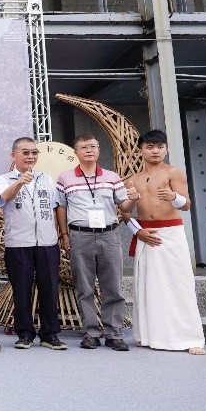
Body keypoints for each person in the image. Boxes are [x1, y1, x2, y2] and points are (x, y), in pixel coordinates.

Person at [123, 129, 205, 355]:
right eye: (150, 147)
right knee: (148, 286)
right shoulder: (135, 179)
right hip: (145, 234)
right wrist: (138, 231)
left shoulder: (173, 172)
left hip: (170, 234)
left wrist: (174, 197)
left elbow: (186, 205)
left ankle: (190, 337)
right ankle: (148, 335)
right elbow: (125, 213)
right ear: (141, 151)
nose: (155, 150)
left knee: (178, 284)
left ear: (166, 149)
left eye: (159, 146)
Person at [55, 133, 136, 351]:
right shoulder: (65, 178)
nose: (89, 150)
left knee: (113, 287)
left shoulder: (112, 177)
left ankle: (114, 333)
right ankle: (90, 332)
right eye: (84, 147)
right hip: (80, 235)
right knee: (84, 287)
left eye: (93, 146)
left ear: (99, 150)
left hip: (109, 235)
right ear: (76, 152)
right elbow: (60, 207)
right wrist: (64, 235)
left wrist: (134, 197)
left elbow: (124, 206)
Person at [0, 137, 66, 350]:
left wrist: (60, 235)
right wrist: (19, 182)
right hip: (18, 243)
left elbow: (55, 208)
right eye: (25, 152)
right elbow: (4, 198)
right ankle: (24, 333)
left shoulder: (46, 178)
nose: (30, 157)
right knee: (22, 289)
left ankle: (50, 334)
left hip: (47, 242)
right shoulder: (3, 179)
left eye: (34, 153)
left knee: (50, 288)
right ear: (13, 155)